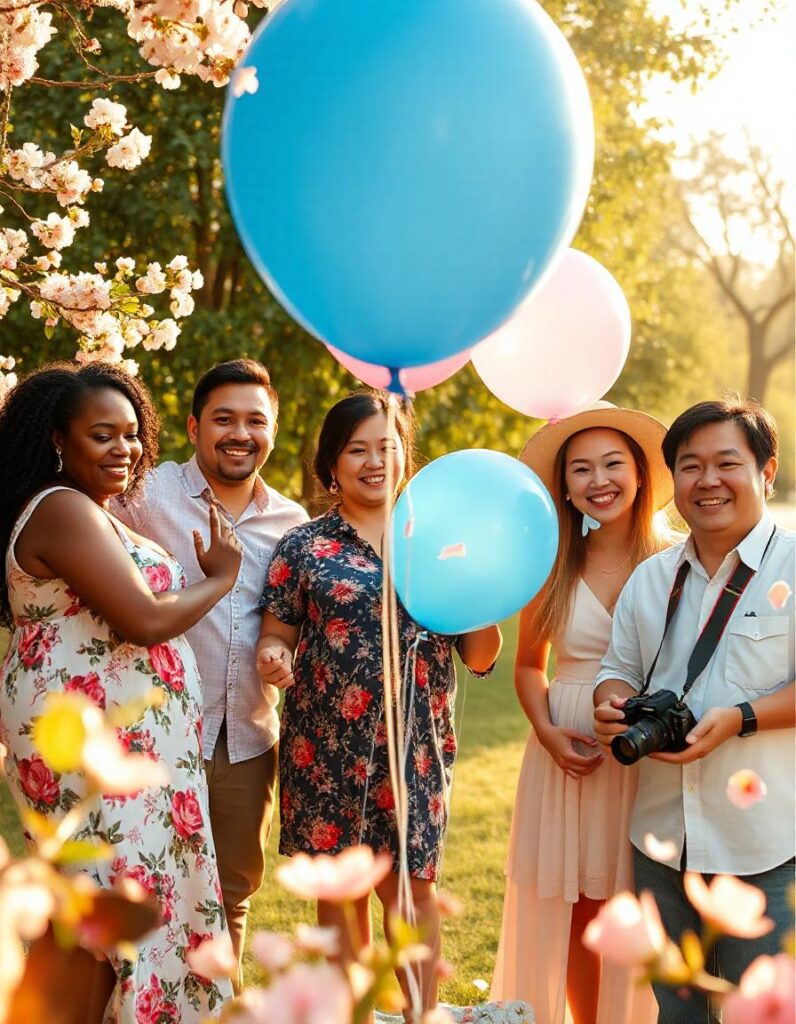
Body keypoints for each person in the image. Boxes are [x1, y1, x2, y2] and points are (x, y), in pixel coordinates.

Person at [0, 362, 240, 1021]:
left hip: (117, 736)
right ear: (58, 440)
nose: (124, 450)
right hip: (91, 737)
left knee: (90, 908)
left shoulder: (88, 513)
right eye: (102, 435)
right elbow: (143, 617)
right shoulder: (63, 508)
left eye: (132, 434)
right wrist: (220, 578)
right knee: (98, 911)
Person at [256, 391, 502, 1016]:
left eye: (386, 448)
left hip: (416, 745)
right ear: (330, 466)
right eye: (356, 449)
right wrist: (274, 658)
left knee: (412, 889)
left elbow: (479, 655)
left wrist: (483, 588)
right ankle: (354, 1011)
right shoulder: (303, 547)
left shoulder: (437, 540)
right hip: (324, 746)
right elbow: (278, 633)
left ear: (404, 455)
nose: (373, 461)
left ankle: (421, 1014)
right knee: (340, 892)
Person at [593, 397, 795, 1024]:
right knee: (676, 1016)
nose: (707, 481)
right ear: (673, 480)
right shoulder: (651, 578)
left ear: (766, 471)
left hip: (764, 845)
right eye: (689, 466)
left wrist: (742, 718)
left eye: (726, 463)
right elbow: (616, 671)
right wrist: (609, 707)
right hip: (660, 841)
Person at [114, 358, 308, 985]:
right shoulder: (143, 495)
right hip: (150, 729)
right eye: (223, 419)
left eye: (255, 420)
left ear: (272, 431)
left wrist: (286, 655)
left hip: (246, 735)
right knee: (139, 885)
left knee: (230, 891)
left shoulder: (291, 523)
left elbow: (295, 621)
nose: (239, 433)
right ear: (195, 427)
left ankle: (216, 1005)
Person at [491, 402, 670, 1024]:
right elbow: (526, 666)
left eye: (613, 464)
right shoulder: (552, 565)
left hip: (651, 749)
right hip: (568, 746)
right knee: (576, 903)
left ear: (642, 473)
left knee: (642, 900)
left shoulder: (675, 561)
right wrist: (546, 732)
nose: (599, 481)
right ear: (564, 488)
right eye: (581, 469)